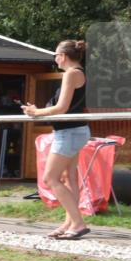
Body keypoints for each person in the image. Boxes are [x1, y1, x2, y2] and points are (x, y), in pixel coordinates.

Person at [22, 40, 90, 240]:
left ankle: (78, 223)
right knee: (69, 177)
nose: (54, 58)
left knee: (50, 179)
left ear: (63, 56)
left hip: (69, 133)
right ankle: (69, 223)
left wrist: (35, 112)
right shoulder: (78, 72)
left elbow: (61, 108)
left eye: (56, 55)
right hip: (73, 131)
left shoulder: (71, 74)